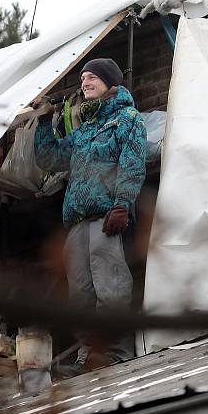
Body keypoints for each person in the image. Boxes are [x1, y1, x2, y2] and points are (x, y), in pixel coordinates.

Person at [33, 58, 147, 376]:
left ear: (111, 82)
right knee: (80, 294)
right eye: (82, 78)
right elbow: (49, 159)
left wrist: (122, 204)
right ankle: (89, 355)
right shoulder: (84, 131)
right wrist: (45, 122)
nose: (85, 82)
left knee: (111, 288)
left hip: (107, 218)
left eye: (92, 77)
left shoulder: (128, 119)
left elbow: (133, 162)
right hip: (78, 222)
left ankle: (117, 353)